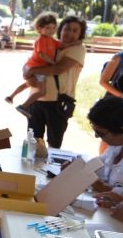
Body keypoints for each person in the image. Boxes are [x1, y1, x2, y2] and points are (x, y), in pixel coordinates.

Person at [24, 16, 87, 149]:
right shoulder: (50, 43)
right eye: (67, 29)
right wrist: (29, 73)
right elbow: (32, 62)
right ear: (61, 29)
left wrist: (32, 71)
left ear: (80, 34)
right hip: (36, 99)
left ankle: (48, 169)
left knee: (54, 144)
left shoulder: (78, 49)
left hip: (57, 102)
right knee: (32, 143)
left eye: (75, 31)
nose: (69, 33)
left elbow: (58, 68)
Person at [6, 12, 79, 118]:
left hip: (38, 68)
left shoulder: (52, 40)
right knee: (42, 91)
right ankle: (24, 106)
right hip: (35, 67)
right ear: (39, 29)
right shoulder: (41, 40)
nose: (52, 30)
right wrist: (53, 63)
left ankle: (12, 96)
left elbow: (62, 45)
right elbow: (42, 54)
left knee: (28, 84)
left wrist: (74, 44)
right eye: (48, 28)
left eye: (54, 28)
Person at [83, 97, 123, 206]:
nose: (96, 136)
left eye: (101, 133)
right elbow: (101, 163)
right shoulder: (119, 144)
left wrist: (106, 188)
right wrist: (79, 168)